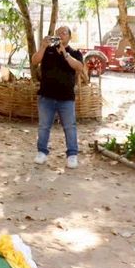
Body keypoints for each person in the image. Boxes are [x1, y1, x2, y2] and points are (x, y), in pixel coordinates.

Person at [31, 26, 86, 169]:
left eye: (64, 33)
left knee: (70, 127)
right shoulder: (48, 50)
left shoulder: (74, 53)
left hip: (66, 97)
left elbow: (79, 67)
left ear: (70, 37)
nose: (61, 35)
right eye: (58, 33)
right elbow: (34, 61)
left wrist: (65, 53)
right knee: (44, 126)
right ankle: (42, 152)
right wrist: (43, 47)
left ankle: (72, 154)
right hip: (46, 96)